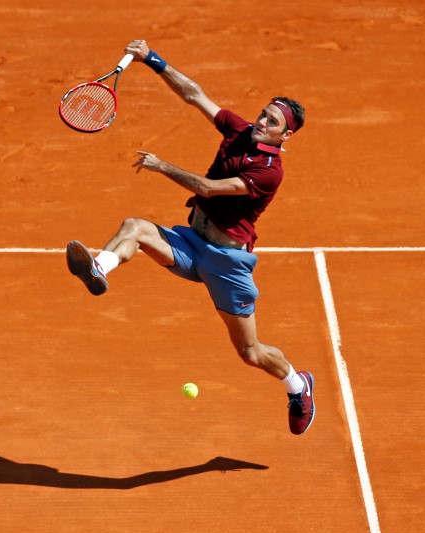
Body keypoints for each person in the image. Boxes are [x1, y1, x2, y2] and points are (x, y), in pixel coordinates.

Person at [66, 39, 315, 435]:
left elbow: (208, 187)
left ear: (285, 136)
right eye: (263, 115)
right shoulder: (240, 131)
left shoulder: (270, 171)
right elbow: (195, 95)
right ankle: (100, 267)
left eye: (272, 122)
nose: (262, 122)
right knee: (135, 227)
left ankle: (298, 385)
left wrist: (161, 166)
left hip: (226, 263)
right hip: (190, 242)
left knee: (250, 353)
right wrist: (153, 60)